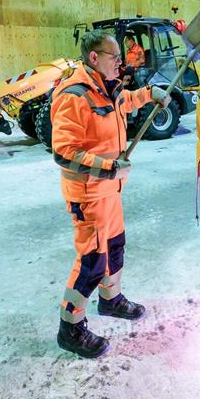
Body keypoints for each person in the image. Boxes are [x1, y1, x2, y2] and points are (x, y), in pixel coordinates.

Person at [51, 30, 171, 358]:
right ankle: (70, 328)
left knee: (115, 247)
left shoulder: (107, 87)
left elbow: (125, 102)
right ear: (94, 57)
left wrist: (149, 94)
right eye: (114, 57)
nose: (120, 62)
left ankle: (110, 300)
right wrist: (108, 167)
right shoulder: (75, 95)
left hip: (110, 190)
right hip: (88, 193)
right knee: (92, 262)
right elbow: (64, 151)